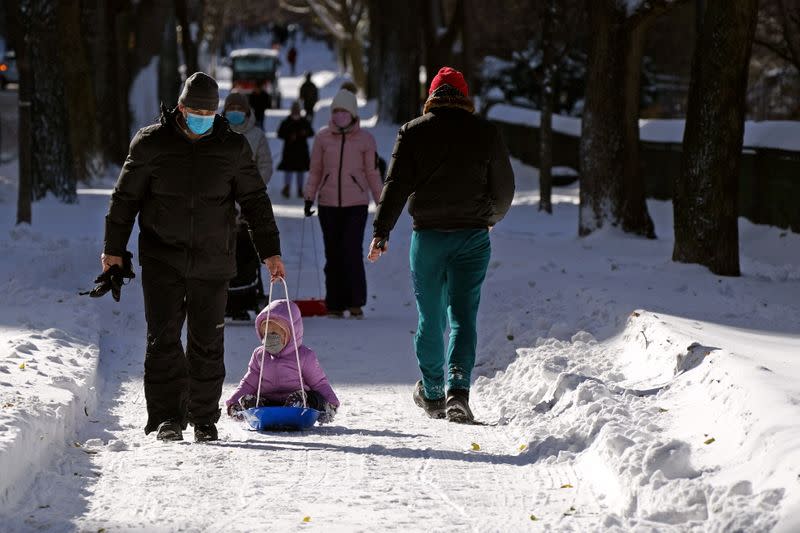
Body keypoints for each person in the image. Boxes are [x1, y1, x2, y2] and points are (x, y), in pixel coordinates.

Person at [101, 72, 287, 442]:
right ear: (180, 108)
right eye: (195, 111)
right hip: (161, 258)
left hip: (213, 260)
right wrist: (113, 250)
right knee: (164, 338)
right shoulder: (150, 144)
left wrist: (270, 252)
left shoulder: (232, 148)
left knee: (207, 341)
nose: (202, 118)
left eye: (209, 112)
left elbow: (254, 201)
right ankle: (168, 417)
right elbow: (125, 201)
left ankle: (204, 417)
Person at [367, 67, 515, 424]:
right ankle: (459, 391)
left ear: (431, 95)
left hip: (429, 237)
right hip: (473, 237)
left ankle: (433, 392)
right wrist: (489, 218)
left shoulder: (414, 132)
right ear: (465, 97)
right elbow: (504, 189)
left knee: (429, 316)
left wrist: (381, 232)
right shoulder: (486, 133)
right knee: (463, 316)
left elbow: (396, 184)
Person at [304, 89, 382, 319]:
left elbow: (372, 173)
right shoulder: (322, 137)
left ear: (353, 113)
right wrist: (309, 196)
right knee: (333, 254)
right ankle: (335, 303)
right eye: (336, 111)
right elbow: (315, 170)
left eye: (344, 111)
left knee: (351, 251)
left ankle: (355, 302)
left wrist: (382, 204)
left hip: (355, 204)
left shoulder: (365, 140)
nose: (339, 115)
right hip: (328, 204)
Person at [226, 299, 339, 424]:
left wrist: (331, 402)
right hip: (269, 402)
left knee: (313, 398)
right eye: (265, 333)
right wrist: (234, 401)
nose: (269, 338)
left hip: (300, 401)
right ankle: (254, 407)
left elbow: (319, 383)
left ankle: (299, 404)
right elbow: (249, 383)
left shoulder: (303, 355)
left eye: (274, 333)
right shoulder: (260, 355)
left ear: (291, 333)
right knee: (252, 399)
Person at [223, 91, 273, 184]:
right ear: (225, 111)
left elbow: (265, 165)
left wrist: (254, 187)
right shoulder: (215, 132)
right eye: (232, 108)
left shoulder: (257, 135)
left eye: (239, 108)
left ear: (246, 111)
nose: (235, 111)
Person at [277, 101, 314, 198]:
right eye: (294, 110)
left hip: (301, 151)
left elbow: (311, 132)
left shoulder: (304, 121)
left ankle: (300, 189)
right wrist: (289, 136)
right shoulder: (286, 121)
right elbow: (280, 134)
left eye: (297, 110)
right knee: (288, 170)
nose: (296, 112)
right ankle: (287, 188)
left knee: (300, 171)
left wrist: (304, 133)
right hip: (289, 150)